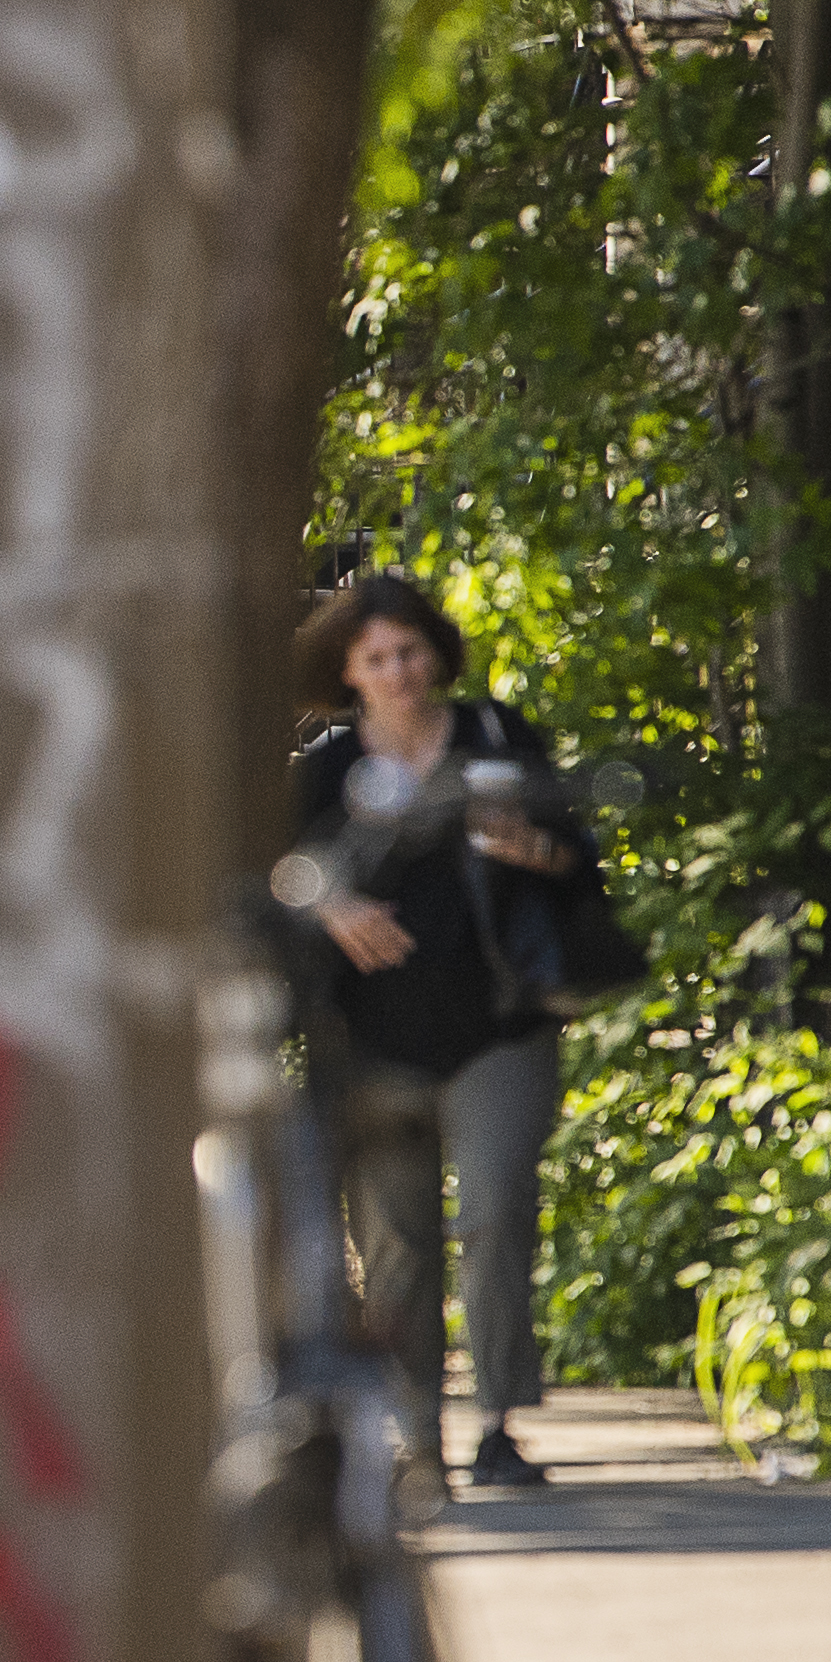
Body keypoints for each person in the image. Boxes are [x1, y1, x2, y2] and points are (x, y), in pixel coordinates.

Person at [284, 569, 590, 1492]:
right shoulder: (329, 773)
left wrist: (532, 848)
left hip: (501, 1026)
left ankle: (498, 1422)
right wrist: (331, 905)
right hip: (375, 1036)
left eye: (410, 651)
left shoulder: (500, 739)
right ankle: (416, 1431)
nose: (398, 670)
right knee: (396, 1240)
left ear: (438, 655)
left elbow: (580, 863)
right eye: (375, 657)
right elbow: (277, 880)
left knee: (497, 1209)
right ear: (348, 672)